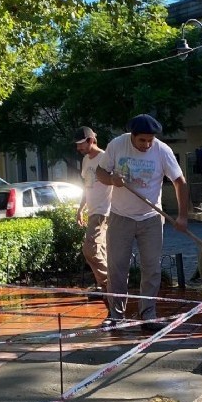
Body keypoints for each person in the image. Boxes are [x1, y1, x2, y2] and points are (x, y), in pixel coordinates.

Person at [96, 114, 189, 331]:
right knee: (117, 267)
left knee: (152, 268)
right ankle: (116, 315)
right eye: (142, 140)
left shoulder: (162, 150)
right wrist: (111, 180)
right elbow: (100, 171)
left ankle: (148, 313)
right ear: (132, 136)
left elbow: (179, 182)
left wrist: (182, 216)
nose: (147, 144)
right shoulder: (117, 145)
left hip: (151, 218)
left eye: (150, 140)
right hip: (121, 216)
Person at [74, 126, 112, 301]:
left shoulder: (105, 158)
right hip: (92, 211)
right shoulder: (86, 161)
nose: (78, 148)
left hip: (103, 211)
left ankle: (110, 284)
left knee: (90, 249)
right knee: (99, 250)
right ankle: (105, 287)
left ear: (90, 140)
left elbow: (116, 183)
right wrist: (81, 208)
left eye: (80, 144)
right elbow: (86, 186)